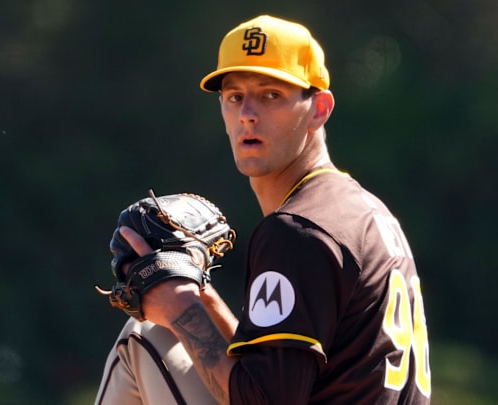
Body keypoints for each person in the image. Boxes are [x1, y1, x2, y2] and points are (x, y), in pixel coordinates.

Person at [95, 14, 431, 405]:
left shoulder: (299, 230)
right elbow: (275, 374)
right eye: (235, 97)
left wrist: (180, 306)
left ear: (319, 108)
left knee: (145, 336)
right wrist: (200, 296)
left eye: (271, 94)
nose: (247, 113)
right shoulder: (360, 210)